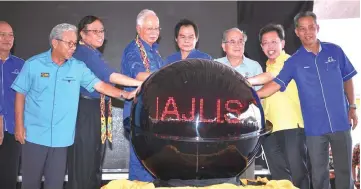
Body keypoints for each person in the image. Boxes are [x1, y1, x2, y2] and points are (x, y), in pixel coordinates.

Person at [11, 23, 136, 189]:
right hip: (35, 136)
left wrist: (126, 95)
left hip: (62, 140)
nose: (73, 47)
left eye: (75, 43)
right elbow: (20, 94)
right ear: (55, 42)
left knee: (55, 184)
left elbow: (100, 85)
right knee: (30, 184)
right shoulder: (33, 64)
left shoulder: (78, 67)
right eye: (69, 43)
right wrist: (19, 126)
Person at [256, 11, 358, 189]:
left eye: (311, 27)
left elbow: (347, 78)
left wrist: (352, 107)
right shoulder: (294, 62)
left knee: (344, 173)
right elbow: (276, 84)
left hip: (341, 121)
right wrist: (251, 95)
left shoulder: (335, 50)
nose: (307, 32)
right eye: (302, 29)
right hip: (313, 128)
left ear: (317, 28)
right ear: (296, 32)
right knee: (319, 176)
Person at [67, 16, 143, 189]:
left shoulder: (94, 53)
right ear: (82, 34)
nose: (100, 35)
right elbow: (110, 76)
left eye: (102, 31)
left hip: (97, 109)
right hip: (85, 111)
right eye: (94, 31)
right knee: (84, 164)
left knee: (94, 163)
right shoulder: (83, 52)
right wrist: (140, 83)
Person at [247, 23, 310, 189]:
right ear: (261, 47)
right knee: (279, 177)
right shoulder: (267, 65)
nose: (270, 46)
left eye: (274, 41)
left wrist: (244, 83)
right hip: (270, 130)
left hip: (291, 126)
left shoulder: (289, 61)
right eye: (266, 43)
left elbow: (270, 78)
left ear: (283, 43)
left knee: (299, 175)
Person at [120, 9, 164, 182]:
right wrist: (168, 77)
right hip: (138, 115)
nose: (154, 32)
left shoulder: (154, 51)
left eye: (157, 29)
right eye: (149, 28)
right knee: (142, 161)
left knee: (153, 161)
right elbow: (139, 75)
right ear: (139, 29)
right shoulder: (133, 49)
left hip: (153, 114)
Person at [214, 27, 263, 179]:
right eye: (232, 41)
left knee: (246, 177)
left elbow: (259, 98)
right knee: (220, 175)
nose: (237, 45)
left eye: (240, 41)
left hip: (247, 129)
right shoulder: (214, 66)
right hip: (219, 129)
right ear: (224, 46)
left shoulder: (254, 67)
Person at [0, 21, 24, 189]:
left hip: (12, 131)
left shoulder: (21, 65)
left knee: (9, 178)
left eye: (11, 35)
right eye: (2, 34)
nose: (7, 39)